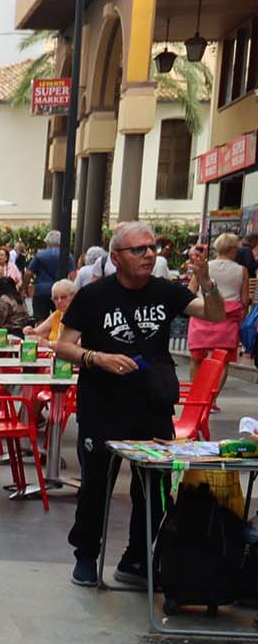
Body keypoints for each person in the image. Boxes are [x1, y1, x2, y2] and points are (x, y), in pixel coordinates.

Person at [58, 222, 225, 587]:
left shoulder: (166, 292)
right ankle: (86, 554)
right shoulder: (93, 296)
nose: (149, 254)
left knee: (153, 487)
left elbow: (214, 314)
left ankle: (137, 556)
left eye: (152, 248)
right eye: (139, 249)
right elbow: (63, 344)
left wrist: (206, 279)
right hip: (102, 405)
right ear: (116, 258)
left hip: (151, 404)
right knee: (96, 485)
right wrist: (97, 358)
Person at [185, 233, 249, 364]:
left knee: (196, 359)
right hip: (228, 318)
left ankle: (197, 385)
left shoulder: (203, 267)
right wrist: (242, 318)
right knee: (222, 361)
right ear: (233, 249)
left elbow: (190, 292)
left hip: (202, 313)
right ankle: (216, 386)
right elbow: (245, 299)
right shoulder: (242, 270)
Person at [29, 230, 63, 318]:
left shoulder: (39, 255)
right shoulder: (66, 255)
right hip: (60, 292)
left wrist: (25, 288)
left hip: (41, 290)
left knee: (41, 319)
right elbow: (72, 274)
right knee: (60, 318)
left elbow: (28, 273)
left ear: (47, 242)